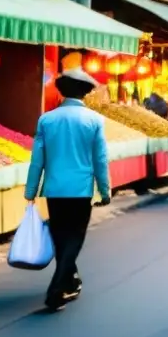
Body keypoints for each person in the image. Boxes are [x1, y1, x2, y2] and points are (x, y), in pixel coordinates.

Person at [24, 69, 110, 311]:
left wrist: (31, 191)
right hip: (81, 190)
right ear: (85, 93)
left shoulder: (47, 119)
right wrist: (105, 190)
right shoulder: (94, 120)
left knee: (61, 235)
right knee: (74, 237)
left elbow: (37, 159)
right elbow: (100, 159)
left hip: (54, 189)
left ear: (61, 91)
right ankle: (57, 287)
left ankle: (69, 279)